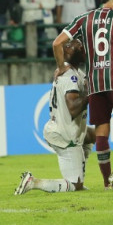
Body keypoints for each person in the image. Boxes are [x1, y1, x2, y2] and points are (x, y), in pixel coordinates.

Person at [52, 0, 113, 191]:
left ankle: (106, 183)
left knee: (102, 129)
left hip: (94, 82)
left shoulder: (83, 19)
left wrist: (62, 67)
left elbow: (57, 43)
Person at [15, 41, 96, 194]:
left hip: (61, 128)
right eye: (81, 49)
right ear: (74, 55)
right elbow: (73, 108)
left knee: (92, 135)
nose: (85, 51)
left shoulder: (74, 72)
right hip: (66, 135)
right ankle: (34, 183)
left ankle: (79, 178)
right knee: (73, 187)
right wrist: (90, 94)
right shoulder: (69, 77)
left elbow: (89, 80)